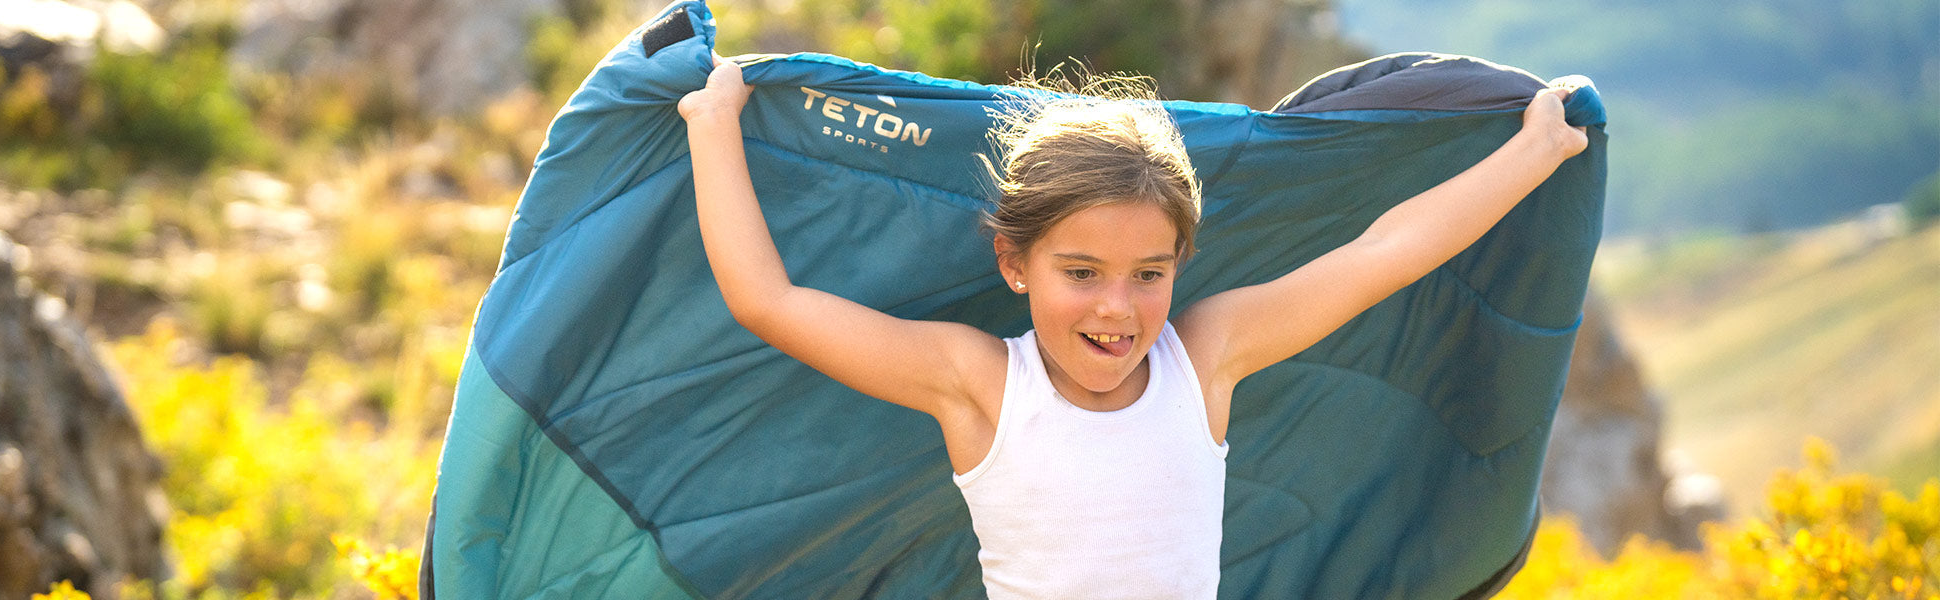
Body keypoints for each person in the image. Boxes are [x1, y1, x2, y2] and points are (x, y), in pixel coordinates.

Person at [676, 53, 1587, 598]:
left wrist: (1536, 152)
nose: (1119, 308)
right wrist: (712, 125)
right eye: (1081, 274)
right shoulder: (981, 384)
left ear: (1180, 267)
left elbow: (1382, 254)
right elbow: (771, 301)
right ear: (1013, 265)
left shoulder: (1208, 358)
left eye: (1148, 275)